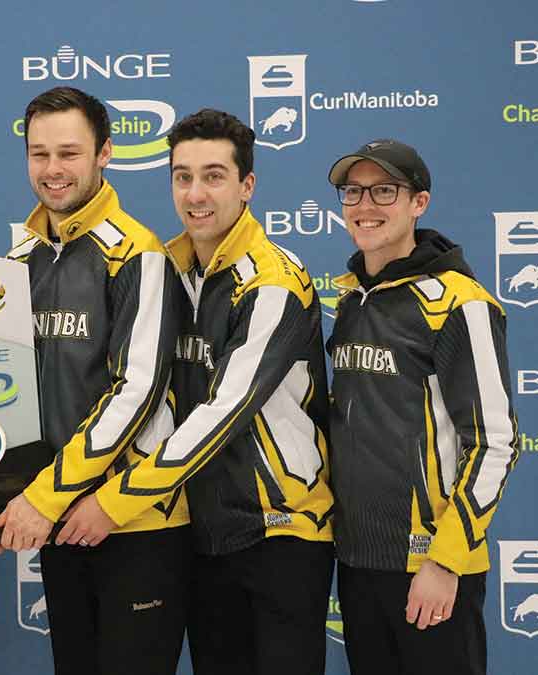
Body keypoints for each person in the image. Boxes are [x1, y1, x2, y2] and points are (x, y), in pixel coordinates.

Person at [60, 108, 335, 675]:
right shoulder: (167, 269)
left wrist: (113, 502)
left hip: (281, 532)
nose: (195, 193)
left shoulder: (274, 282)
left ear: (247, 185)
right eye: (182, 176)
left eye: (213, 176)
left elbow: (220, 414)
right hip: (203, 532)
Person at [0, 86, 192, 674]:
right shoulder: (22, 261)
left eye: (69, 153)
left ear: (105, 153)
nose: (53, 169)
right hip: (59, 520)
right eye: (39, 154)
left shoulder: (139, 254)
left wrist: (45, 496)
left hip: (133, 519)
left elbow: (137, 391)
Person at [324, 139, 519, 675]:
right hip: (359, 562)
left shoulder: (460, 303)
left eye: (384, 191)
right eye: (353, 192)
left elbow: (495, 443)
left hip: (431, 565)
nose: (365, 205)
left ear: (419, 203)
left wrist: (446, 560)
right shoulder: (352, 299)